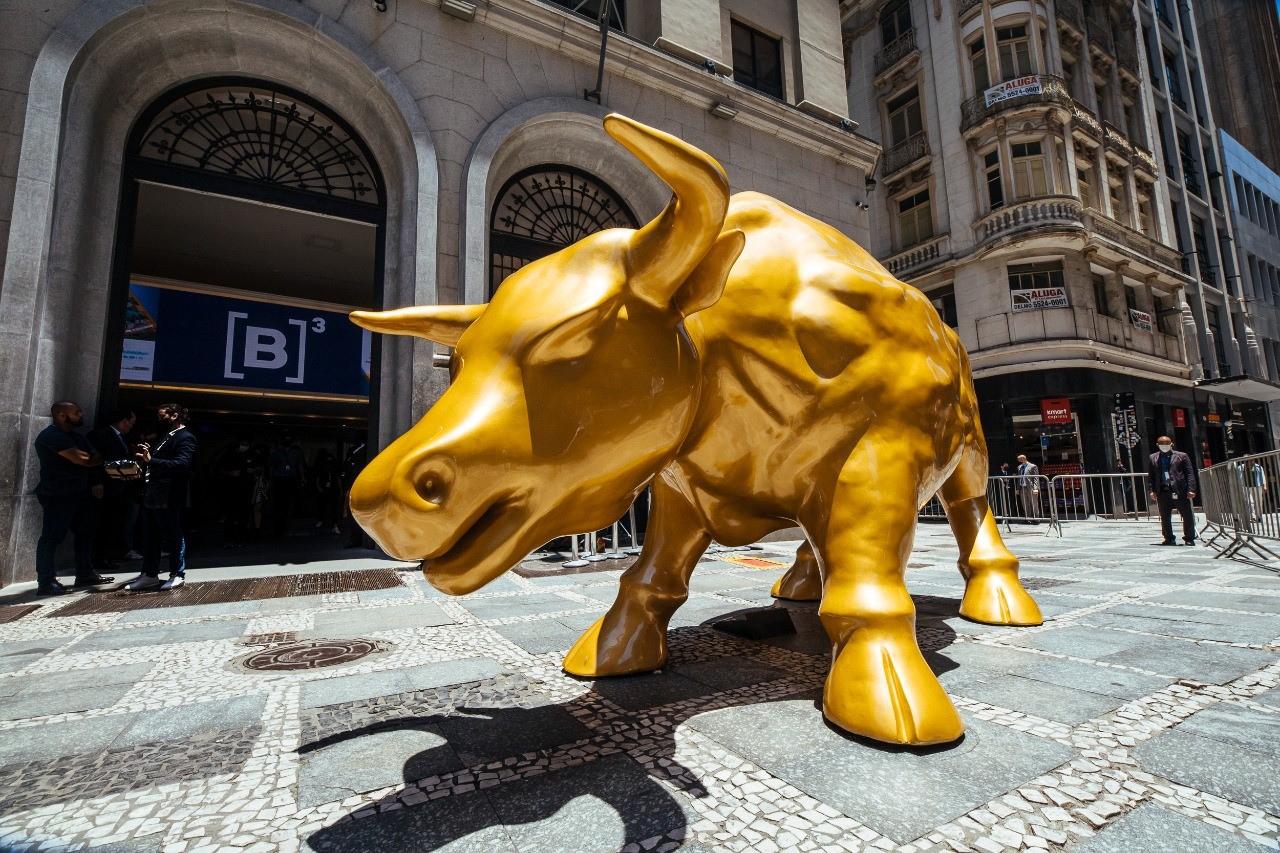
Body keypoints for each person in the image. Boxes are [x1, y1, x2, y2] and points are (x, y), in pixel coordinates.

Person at [33, 402, 111, 595]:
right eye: (76, 413)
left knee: (86, 532)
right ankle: (45, 581)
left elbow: (97, 458)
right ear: (61, 415)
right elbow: (83, 459)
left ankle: (84, 573)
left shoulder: (76, 436)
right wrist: (87, 459)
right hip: (57, 494)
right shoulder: (50, 436)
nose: (81, 415)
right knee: (52, 536)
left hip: (79, 493)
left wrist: (89, 459)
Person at [126, 403, 197, 590]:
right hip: (152, 494)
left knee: (172, 534)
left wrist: (152, 460)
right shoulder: (165, 437)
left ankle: (177, 573)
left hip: (169, 495)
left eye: (162, 416)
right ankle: (149, 574)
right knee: (149, 536)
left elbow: (182, 464)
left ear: (174, 416)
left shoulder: (185, 437)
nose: (159, 420)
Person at [87, 408, 137, 572]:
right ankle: (94, 558)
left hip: (120, 488)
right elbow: (92, 460)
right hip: (104, 488)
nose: (132, 426)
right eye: (131, 422)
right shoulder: (99, 435)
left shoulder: (123, 438)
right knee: (99, 523)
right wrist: (96, 482)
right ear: (123, 420)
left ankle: (104, 556)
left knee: (112, 523)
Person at [1148, 435, 1196, 546]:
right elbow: (1151, 476)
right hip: (1162, 491)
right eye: (1162, 444)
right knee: (1164, 516)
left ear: (1171, 444)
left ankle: (1189, 538)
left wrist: (1191, 489)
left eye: (1166, 444)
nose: (1164, 446)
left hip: (1179, 490)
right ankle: (1169, 537)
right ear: (1157, 445)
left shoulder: (1182, 456)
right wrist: (1152, 490)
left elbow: (1189, 473)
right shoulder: (1153, 457)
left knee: (1187, 514)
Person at [215, 438, 253, 547]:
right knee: (230, 516)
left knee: (243, 516)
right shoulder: (228, 455)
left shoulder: (248, 455)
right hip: (230, 489)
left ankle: (241, 539)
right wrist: (231, 473)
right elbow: (219, 469)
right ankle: (229, 540)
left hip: (244, 489)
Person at [268, 436, 305, 537]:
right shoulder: (277, 452)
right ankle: (278, 525)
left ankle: (284, 523)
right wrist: (270, 479)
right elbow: (272, 465)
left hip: (290, 478)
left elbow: (300, 465)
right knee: (278, 502)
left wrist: (302, 477)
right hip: (279, 478)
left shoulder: (296, 453)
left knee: (287, 502)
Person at [341, 441, 368, 548]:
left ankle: (357, 539)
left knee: (355, 515)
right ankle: (356, 538)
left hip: (358, 487)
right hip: (355, 486)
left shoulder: (358, 453)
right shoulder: (356, 452)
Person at [1016, 454, 1041, 522]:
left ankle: (1036, 519)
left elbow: (1036, 478)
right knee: (1025, 504)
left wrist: (1035, 488)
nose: (1019, 461)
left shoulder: (1033, 466)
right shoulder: (1019, 467)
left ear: (1024, 459)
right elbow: (1019, 478)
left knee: (1034, 503)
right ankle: (1028, 518)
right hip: (1022, 487)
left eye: (1020, 460)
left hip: (1031, 488)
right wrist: (1018, 488)